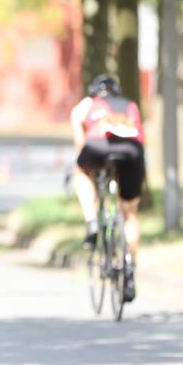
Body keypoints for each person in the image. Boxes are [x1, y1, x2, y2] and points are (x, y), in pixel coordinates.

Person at [70, 74, 145, 303]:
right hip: (132, 150)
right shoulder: (130, 105)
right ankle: (129, 270)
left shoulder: (88, 105)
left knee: (79, 173)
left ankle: (92, 219)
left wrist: (87, 162)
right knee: (130, 213)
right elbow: (141, 135)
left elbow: (78, 135)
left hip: (97, 145)